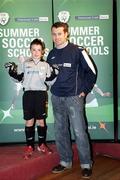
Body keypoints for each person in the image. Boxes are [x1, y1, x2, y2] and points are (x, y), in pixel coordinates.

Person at [47, 22, 97, 179]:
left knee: (79, 132)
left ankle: (86, 164)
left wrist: (85, 90)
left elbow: (92, 71)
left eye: (59, 34)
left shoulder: (77, 51)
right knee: (60, 131)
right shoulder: (51, 54)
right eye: (54, 34)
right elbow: (49, 75)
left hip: (74, 98)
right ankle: (65, 161)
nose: (56, 37)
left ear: (66, 34)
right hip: (56, 97)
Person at [5, 38, 58, 160]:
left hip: (40, 95)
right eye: (34, 50)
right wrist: (10, 71)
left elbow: (50, 81)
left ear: (43, 51)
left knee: (41, 121)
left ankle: (42, 145)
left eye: (39, 50)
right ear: (30, 50)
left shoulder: (45, 65)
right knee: (29, 121)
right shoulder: (25, 64)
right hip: (28, 95)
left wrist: (56, 72)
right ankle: (29, 146)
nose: (36, 52)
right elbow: (18, 78)